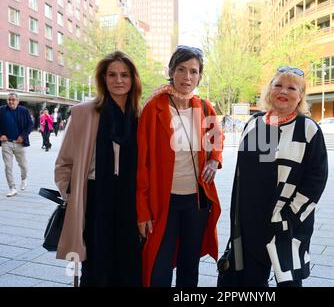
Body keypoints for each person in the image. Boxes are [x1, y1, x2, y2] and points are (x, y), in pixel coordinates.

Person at [225, 66, 328, 287]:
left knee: (289, 281)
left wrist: (289, 215)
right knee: (251, 282)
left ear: (300, 96)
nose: (284, 91)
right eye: (278, 85)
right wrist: (238, 219)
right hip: (251, 224)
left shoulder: (308, 129)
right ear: (269, 90)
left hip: (288, 223)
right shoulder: (255, 124)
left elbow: (316, 180)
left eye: (292, 87)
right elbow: (245, 177)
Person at [136, 45, 224, 287]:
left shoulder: (204, 107)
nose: (187, 77)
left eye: (194, 72)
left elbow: (217, 137)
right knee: (159, 268)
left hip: (196, 201)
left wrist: (215, 159)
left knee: (189, 266)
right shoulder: (154, 107)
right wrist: (142, 211)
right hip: (163, 202)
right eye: (182, 70)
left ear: (200, 76)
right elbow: (141, 164)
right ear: (171, 71)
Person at [54, 51, 143, 286]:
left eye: (124, 75)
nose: (118, 80)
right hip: (95, 197)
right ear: (103, 78)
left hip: (131, 199)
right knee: (96, 265)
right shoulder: (83, 113)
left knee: (130, 264)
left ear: (133, 79)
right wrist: (72, 195)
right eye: (112, 74)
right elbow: (64, 163)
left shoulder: (141, 116)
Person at [0, 93, 33, 197]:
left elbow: (30, 124)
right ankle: (12, 188)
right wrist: (0, 135)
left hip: (19, 143)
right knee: (8, 166)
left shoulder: (24, 110)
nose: (11, 101)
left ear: (18, 101)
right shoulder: (1, 110)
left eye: (13, 100)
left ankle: (24, 178)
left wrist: (23, 136)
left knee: (23, 165)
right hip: (6, 143)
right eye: (9, 100)